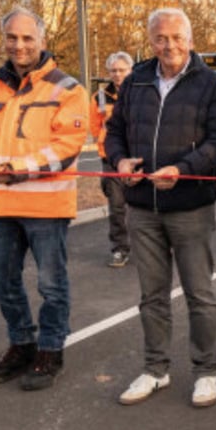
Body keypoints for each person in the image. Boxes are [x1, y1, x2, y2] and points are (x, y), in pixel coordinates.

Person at [104, 8, 216, 408]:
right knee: (151, 295)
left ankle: (205, 371)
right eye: (161, 38)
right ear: (150, 40)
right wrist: (120, 160)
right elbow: (114, 131)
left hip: (190, 206)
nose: (169, 45)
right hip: (142, 206)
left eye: (177, 37)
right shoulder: (137, 80)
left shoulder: (211, 83)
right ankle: (155, 369)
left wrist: (183, 169)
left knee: (200, 294)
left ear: (190, 40)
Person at [0, 7, 88, 391]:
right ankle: (21, 345)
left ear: (42, 41)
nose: (19, 45)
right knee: (2, 281)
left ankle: (50, 350)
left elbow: (66, 147)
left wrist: (18, 167)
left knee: (51, 285)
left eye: (27, 38)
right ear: (3, 40)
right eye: (12, 38)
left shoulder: (68, 89)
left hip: (46, 208)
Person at [89, 51, 134, 268]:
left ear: (130, 71)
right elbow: (94, 126)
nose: (117, 74)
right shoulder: (99, 98)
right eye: (113, 71)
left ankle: (152, 246)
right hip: (111, 159)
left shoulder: (141, 92)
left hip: (137, 157)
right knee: (117, 207)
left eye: (121, 70)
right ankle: (120, 249)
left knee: (145, 205)